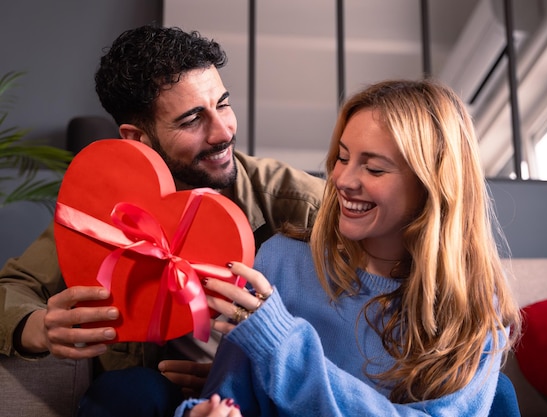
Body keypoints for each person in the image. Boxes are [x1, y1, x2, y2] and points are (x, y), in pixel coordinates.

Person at [0, 24, 324, 416]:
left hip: (270, 394)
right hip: (157, 398)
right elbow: (14, 286)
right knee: (126, 391)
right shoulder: (106, 215)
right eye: (192, 120)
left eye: (223, 104)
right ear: (137, 138)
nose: (223, 132)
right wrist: (38, 327)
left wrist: (242, 377)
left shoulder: (301, 205)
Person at [176, 79, 522, 416]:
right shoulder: (279, 260)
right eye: (342, 158)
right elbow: (228, 396)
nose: (342, 180)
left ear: (431, 185)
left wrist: (285, 347)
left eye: (373, 168)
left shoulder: (474, 308)